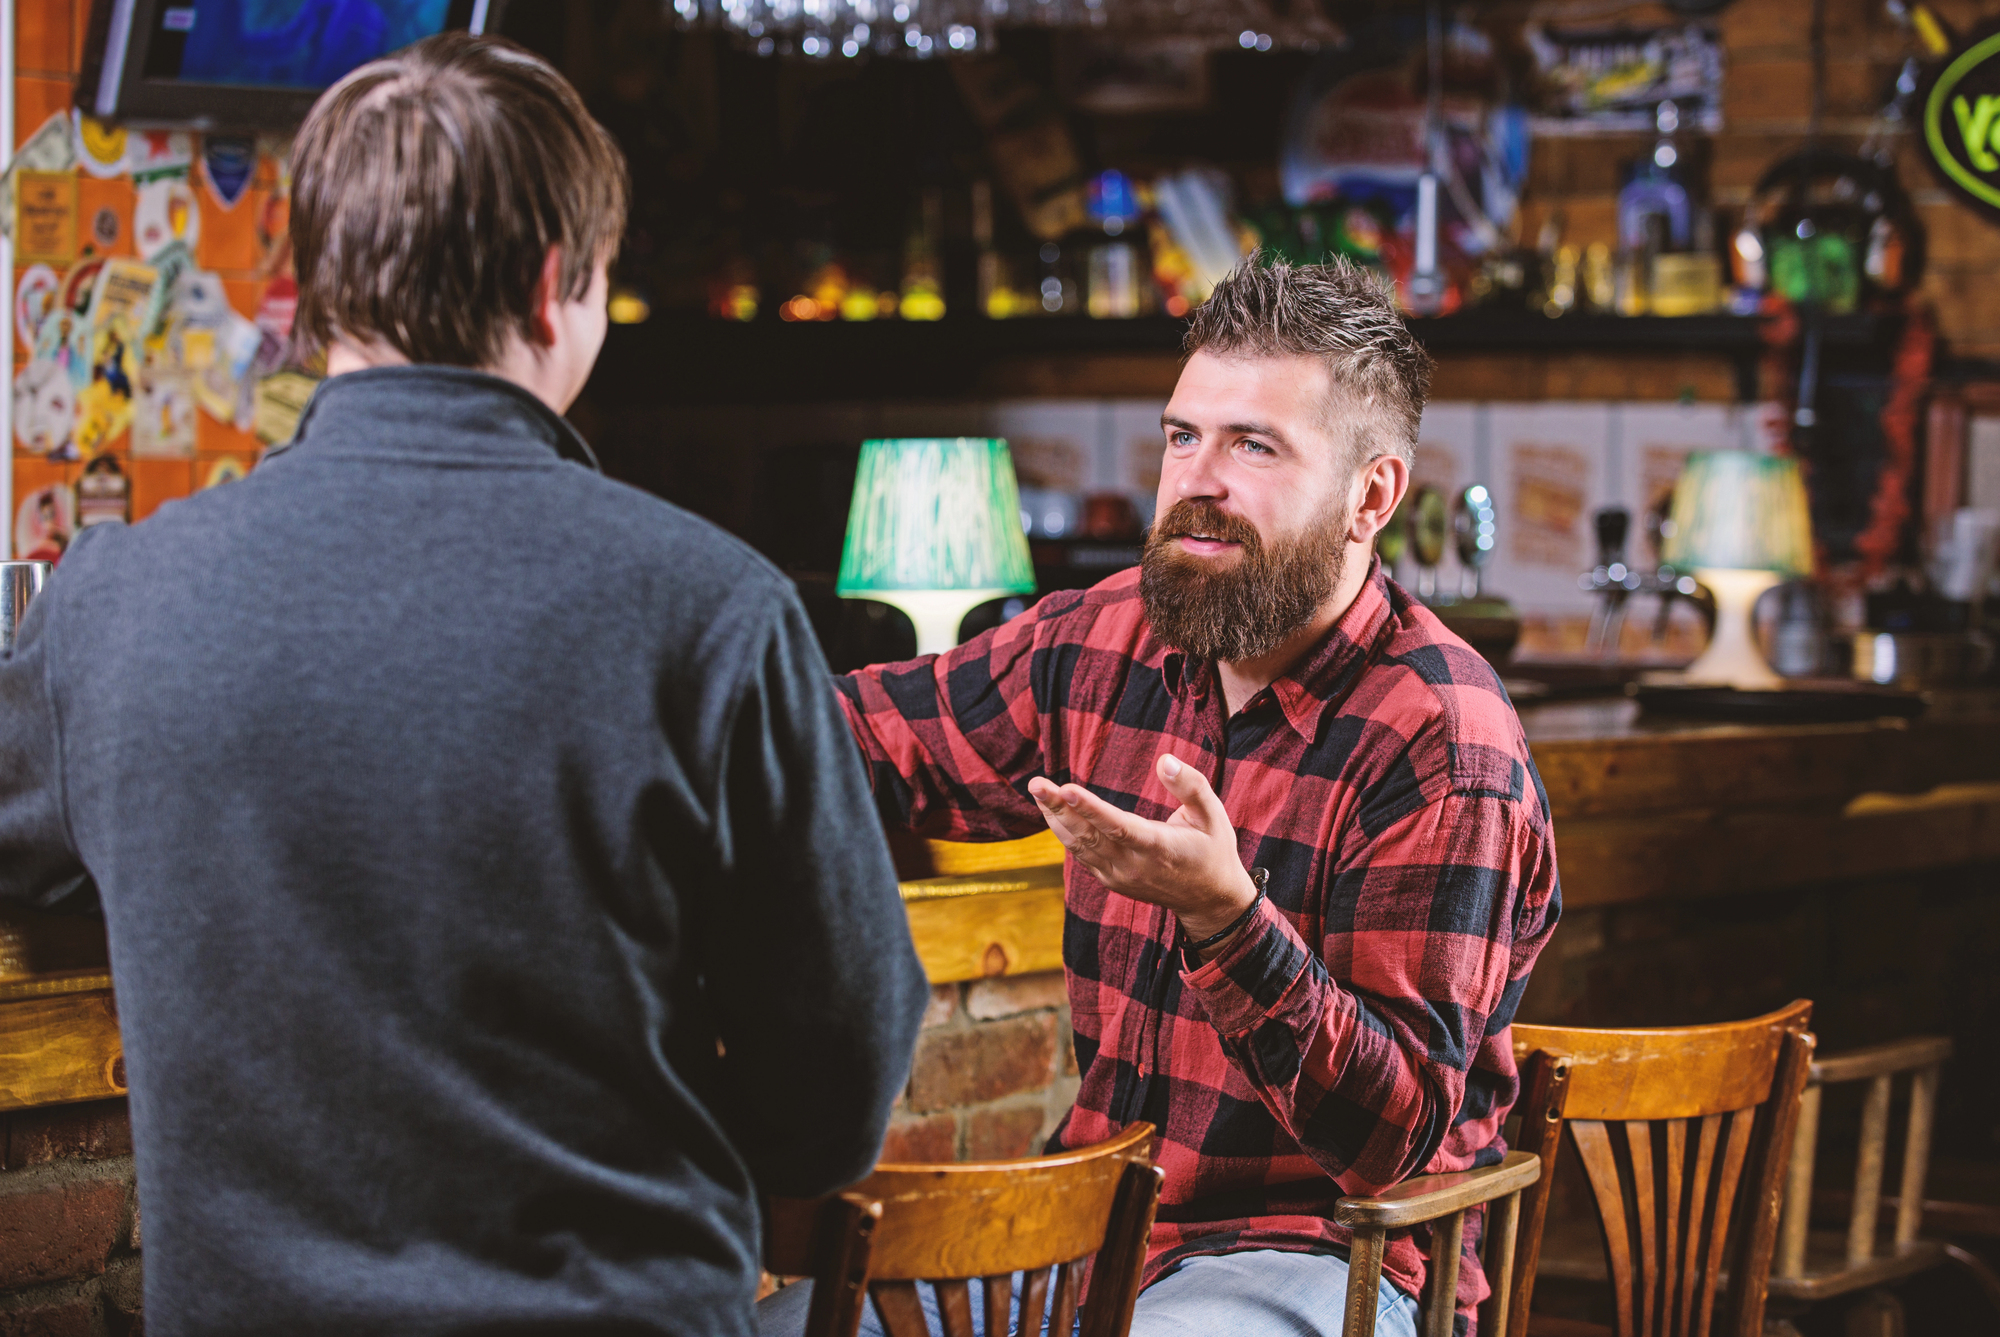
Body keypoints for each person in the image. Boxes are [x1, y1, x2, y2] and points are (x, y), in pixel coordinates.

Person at [0, 33, 928, 1337]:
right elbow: (837, 1095)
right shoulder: (713, 615)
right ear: (558, 287)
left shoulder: (111, 605)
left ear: (312, 291)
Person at [772, 259, 1561, 1337]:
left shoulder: (1439, 739)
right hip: (1099, 1234)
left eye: (1254, 445)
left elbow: (1397, 1132)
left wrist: (1227, 920)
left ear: (1370, 496)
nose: (1198, 477)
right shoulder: (1103, 640)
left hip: (1341, 1253)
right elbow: (862, 734)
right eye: (1182, 435)